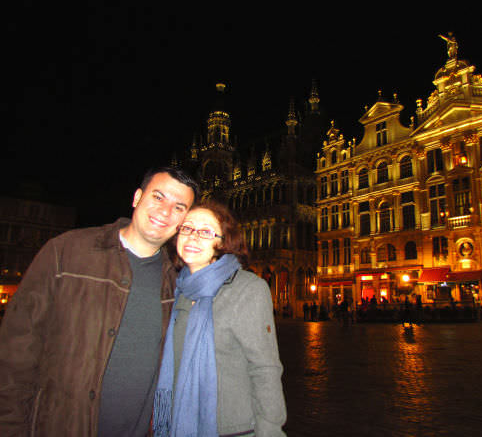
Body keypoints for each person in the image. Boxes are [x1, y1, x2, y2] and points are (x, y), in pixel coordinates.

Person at [0, 166, 198, 437]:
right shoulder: (66, 251)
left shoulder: (178, 282)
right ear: (137, 197)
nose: (165, 212)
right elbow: (13, 359)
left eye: (179, 207)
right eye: (158, 197)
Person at [153, 200, 286, 437]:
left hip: (233, 429)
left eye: (205, 231)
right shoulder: (173, 289)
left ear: (223, 242)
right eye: (187, 228)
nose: (193, 236)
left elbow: (265, 369)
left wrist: (270, 431)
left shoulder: (247, 288)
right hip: (178, 423)